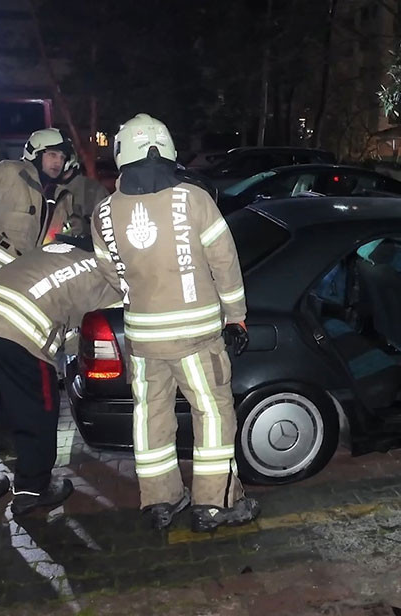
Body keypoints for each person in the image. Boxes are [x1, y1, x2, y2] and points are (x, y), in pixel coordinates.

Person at [91, 113, 258, 533]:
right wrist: (236, 317)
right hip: (196, 338)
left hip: (143, 339)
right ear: (166, 149)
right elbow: (225, 261)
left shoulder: (104, 212)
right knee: (214, 414)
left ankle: (160, 502)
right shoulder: (193, 199)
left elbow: (110, 272)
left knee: (150, 417)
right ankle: (215, 504)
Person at [0, 236, 122, 517]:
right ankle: (33, 490)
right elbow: (91, 336)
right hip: (17, 334)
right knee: (37, 410)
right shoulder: (108, 275)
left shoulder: (60, 250)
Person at [0, 128, 90, 276]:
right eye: (52, 154)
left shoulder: (62, 197)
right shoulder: (8, 173)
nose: (58, 162)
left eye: (62, 157)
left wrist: (79, 227)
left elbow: (61, 236)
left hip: (30, 279)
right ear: (35, 154)